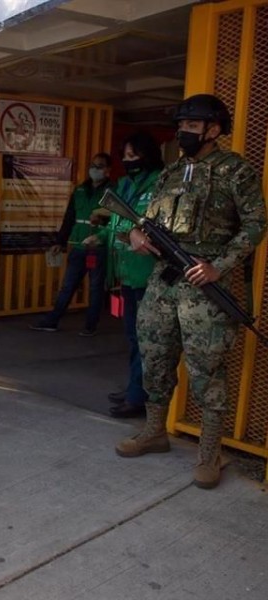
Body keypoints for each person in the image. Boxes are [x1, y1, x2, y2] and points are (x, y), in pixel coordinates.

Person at [116, 94, 266, 489]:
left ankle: (209, 452)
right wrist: (134, 233)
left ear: (213, 130)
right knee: (155, 358)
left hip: (204, 283)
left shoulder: (237, 172)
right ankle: (155, 432)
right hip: (163, 281)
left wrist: (220, 265)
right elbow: (147, 218)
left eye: (192, 126)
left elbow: (255, 224)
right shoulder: (171, 172)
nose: (184, 132)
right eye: (182, 125)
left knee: (207, 370)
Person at [85, 132, 163, 419]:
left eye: (134, 156)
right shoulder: (126, 185)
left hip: (149, 275)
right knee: (132, 336)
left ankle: (139, 397)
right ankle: (134, 387)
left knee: (146, 340)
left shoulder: (160, 184)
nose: (129, 162)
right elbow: (120, 222)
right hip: (127, 272)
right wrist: (102, 237)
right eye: (126, 157)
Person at [31, 153, 114, 336]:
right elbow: (69, 217)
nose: (95, 169)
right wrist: (59, 242)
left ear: (108, 171)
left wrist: (102, 220)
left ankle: (90, 325)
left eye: (99, 166)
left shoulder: (112, 192)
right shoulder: (80, 190)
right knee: (68, 285)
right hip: (77, 244)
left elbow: (116, 219)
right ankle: (52, 321)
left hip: (97, 246)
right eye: (93, 165)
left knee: (95, 287)